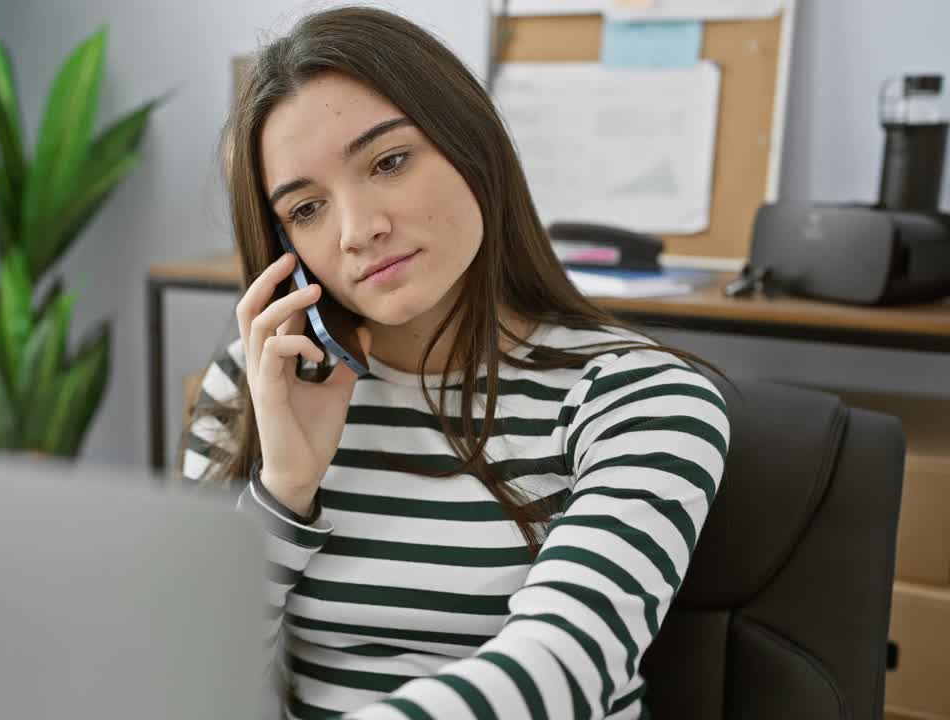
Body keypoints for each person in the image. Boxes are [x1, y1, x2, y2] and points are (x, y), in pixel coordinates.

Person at [182, 6, 730, 719]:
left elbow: (563, 667)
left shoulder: (641, 398)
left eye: (389, 161)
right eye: (308, 208)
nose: (359, 230)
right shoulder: (253, 386)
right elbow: (195, 679)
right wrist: (283, 490)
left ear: (472, 146)